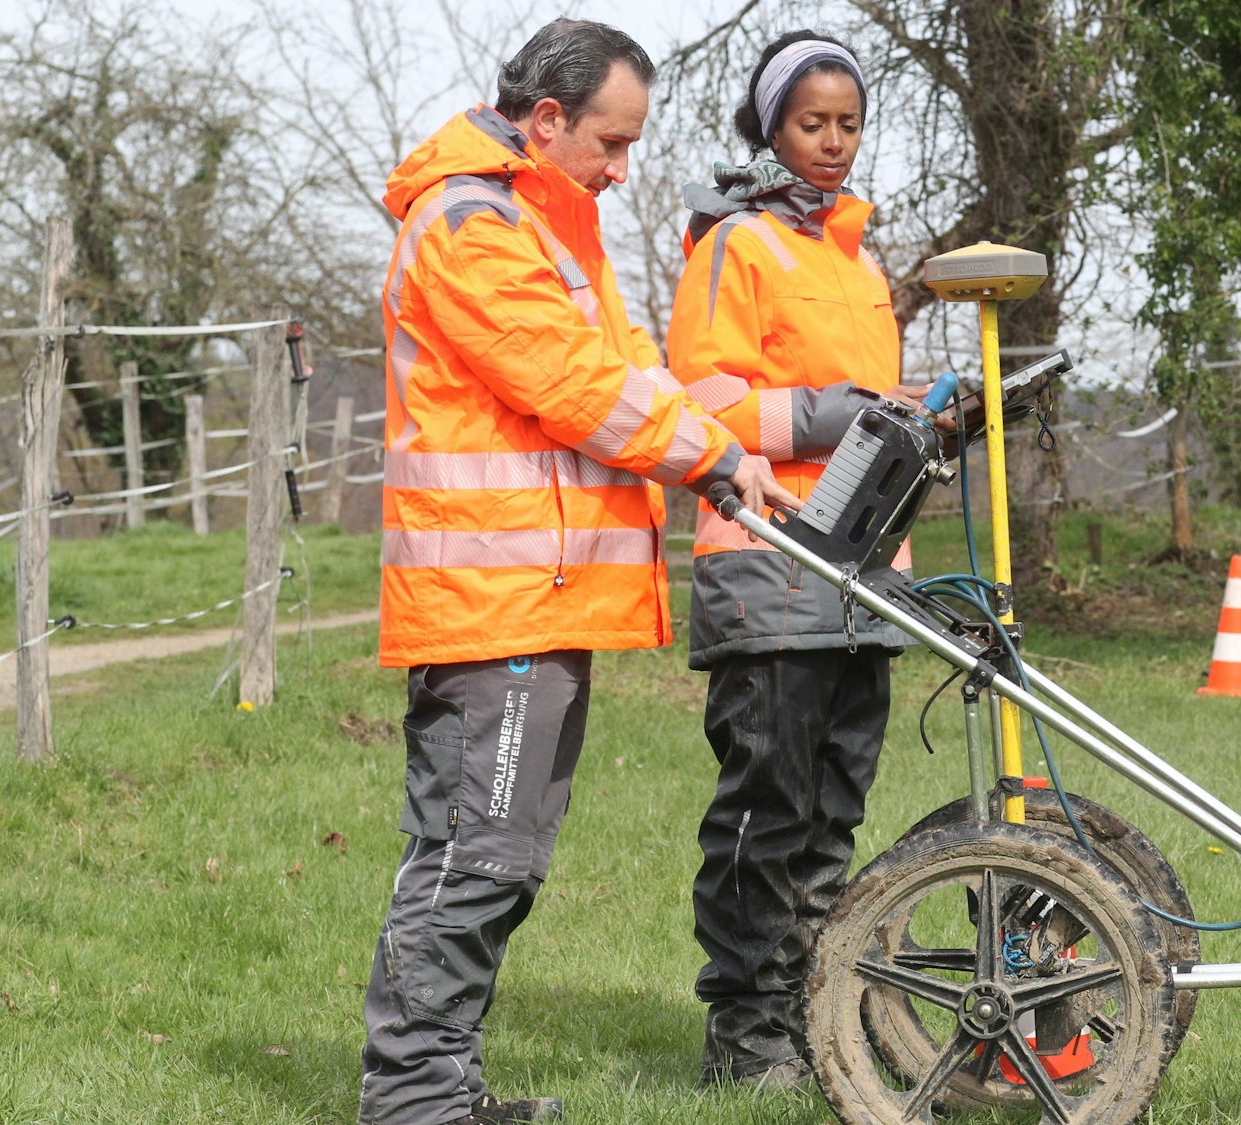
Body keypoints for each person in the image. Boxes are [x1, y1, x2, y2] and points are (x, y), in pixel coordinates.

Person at [359, 18, 794, 1125]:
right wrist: (712, 455)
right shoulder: (467, 224)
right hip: (489, 604)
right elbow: (567, 384)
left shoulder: (550, 228)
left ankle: (446, 1091)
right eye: (610, 142)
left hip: (533, 599)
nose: (621, 167)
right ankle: (413, 1105)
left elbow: (627, 369)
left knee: (497, 862)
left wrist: (726, 457)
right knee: (473, 863)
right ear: (545, 120)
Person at [665, 30, 934, 1090]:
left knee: (833, 810)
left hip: (864, 571)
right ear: (768, 126)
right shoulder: (734, 246)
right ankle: (746, 1035)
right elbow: (701, 404)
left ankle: (818, 1015)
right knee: (767, 810)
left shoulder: (859, 259)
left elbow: (869, 419)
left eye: (848, 124)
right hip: (766, 563)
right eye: (810, 123)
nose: (832, 143)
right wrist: (834, 410)